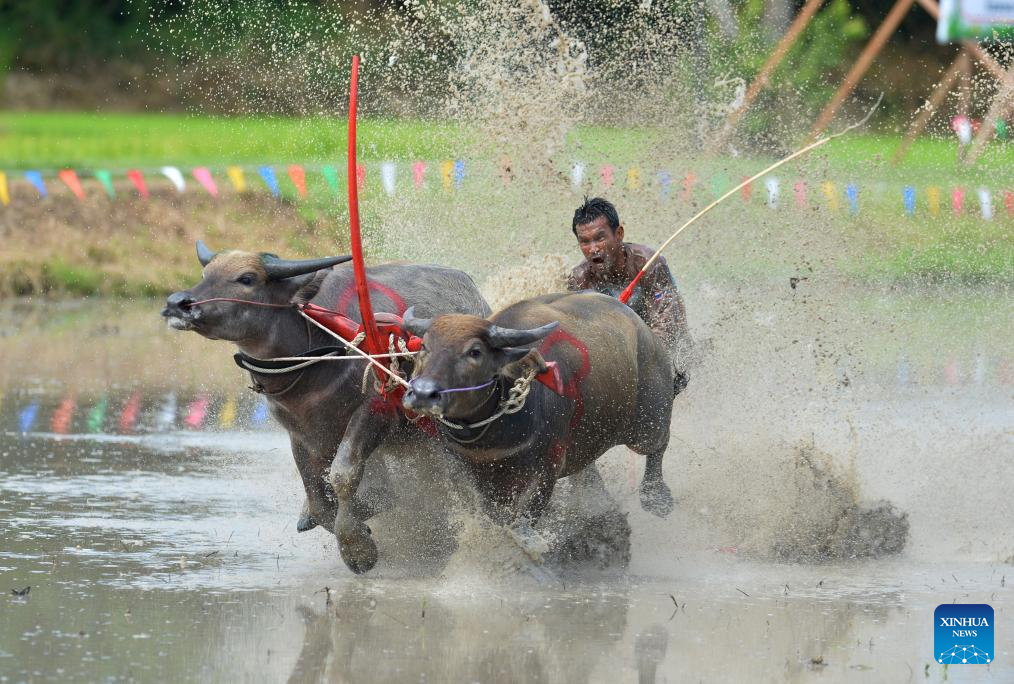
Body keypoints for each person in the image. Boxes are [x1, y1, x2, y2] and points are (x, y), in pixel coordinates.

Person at [566, 197, 693, 395]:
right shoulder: (579, 280)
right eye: (584, 241)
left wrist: (633, 363)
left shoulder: (649, 264)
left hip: (664, 350)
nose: (593, 249)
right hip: (618, 356)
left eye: (600, 238)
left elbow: (666, 324)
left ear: (619, 234)